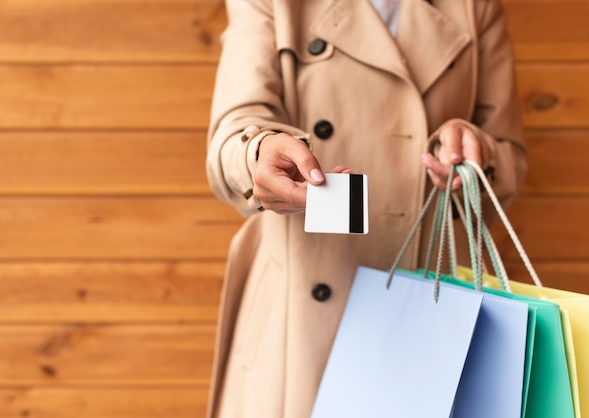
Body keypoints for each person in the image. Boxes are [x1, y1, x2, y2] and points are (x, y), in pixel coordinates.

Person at [205, 0, 526, 416]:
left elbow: (510, 158)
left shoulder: (473, 6)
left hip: (432, 299)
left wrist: (474, 152)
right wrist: (258, 153)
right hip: (304, 305)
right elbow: (233, 131)